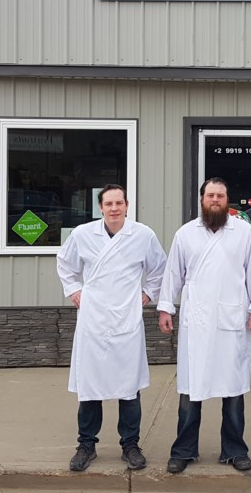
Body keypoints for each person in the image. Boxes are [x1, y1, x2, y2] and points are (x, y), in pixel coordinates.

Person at [157, 177, 251, 474]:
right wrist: (166, 307)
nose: (215, 200)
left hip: (232, 317)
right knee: (191, 388)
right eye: (210, 195)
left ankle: (234, 450)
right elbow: (173, 275)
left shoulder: (243, 232)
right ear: (202, 199)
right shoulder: (185, 234)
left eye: (220, 195)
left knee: (232, 389)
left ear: (227, 199)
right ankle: (184, 450)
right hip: (198, 320)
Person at [57, 184, 167, 472]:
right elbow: (65, 264)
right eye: (109, 204)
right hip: (93, 317)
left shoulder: (142, 235)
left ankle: (130, 444)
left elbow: (158, 268)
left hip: (125, 318)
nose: (114, 208)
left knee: (128, 386)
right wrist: (73, 290)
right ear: (101, 207)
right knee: (90, 384)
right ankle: (86, 444)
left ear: (127, 205)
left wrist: (149, 294)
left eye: (119, 203)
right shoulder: (83, 234)